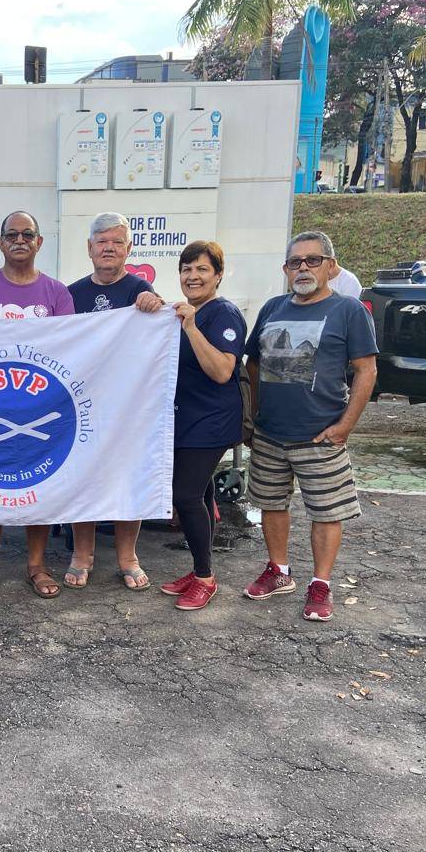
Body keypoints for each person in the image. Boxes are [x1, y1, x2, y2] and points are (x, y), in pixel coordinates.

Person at [244, 230, 378, 622]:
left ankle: (320, 584)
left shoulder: (349, 311)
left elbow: (366, 370)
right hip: (270, 433)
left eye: (312, 260)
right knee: (271, 504)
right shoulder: (271, 308)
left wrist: (346, 425)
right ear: (285, 270)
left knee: (325, 511)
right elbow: (253, 363)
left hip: (321, 434)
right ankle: (278, 571)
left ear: (331, 267)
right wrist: (252, 415)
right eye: (295, 262)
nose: (303, 268)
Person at [0, 210, 75, 601]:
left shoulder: (58, 293)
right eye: (12, 234)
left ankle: (36, 565)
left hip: (42, 408)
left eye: (28, 233)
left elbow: (72, 349)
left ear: (39, 242)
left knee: (37, 487)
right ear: (0, 242)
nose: (20, 240)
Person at [64, 212, 165, 591]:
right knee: (82, 479)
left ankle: (128, 557)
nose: (108, 248)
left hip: (129, 409)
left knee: (129, 481)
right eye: (101, 241)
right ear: (90, 249)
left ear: (128, 249)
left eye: (117, 242)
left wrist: (155, 306)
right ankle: (82, 554)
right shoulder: (69, 294)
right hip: (81, 407)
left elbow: (159, 340)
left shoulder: (142, 291)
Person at [156, 241, 246, 611]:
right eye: (186, 269)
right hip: (185, 419)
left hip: (212, 421)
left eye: (202, 269)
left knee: (186, 496)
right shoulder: (182, 313)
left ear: (218, 275)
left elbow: (222, 371)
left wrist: (191, 327)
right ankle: (197, 572)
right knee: (203, 494)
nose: (192, 276)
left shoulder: (222, 314)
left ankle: (205, 577)